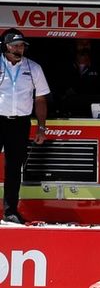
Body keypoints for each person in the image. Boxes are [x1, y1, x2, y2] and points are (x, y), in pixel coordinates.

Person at [0, 29, 50, 224]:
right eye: (15, 45)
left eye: (21, 45)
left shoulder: (34, 68)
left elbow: (40, 99)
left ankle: (10, 211)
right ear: (5, 47)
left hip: (20, 123)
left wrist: (41, 128)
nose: (19, 49)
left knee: (13, 168)